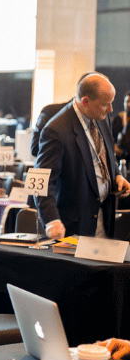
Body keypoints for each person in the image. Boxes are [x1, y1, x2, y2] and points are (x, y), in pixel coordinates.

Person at [35, 73, 130, 240]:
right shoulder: (55, 130)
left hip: (105, 219)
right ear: (85, 101)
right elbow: (41, 180)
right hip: (74, 226)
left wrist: (117, 176)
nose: (111, 109)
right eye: (105, 104)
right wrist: (51, 220)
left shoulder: (100, 115)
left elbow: (107, 153)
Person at [116, 91, 130, 160]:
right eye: (127, 101)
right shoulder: (117, 119)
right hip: (119, 159)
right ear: (124, 103)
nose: (129, 104)